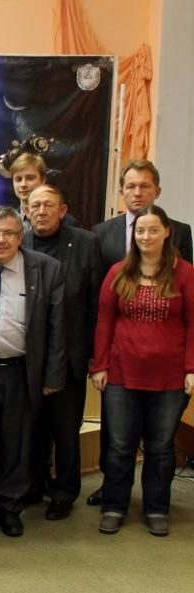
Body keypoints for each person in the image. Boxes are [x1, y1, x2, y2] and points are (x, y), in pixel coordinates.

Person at [0, 206, 66, 538]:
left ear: (21, 236)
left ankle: (9, 507)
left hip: (21, 371)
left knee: (16, 444)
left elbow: (56, 327)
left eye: (8, 233)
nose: (0, 240)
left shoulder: (45, 268)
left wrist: (52, 377)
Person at [88, 159, 193, 506]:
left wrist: (191, 367)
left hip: (169, 371)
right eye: (130, 186)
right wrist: (100, 362)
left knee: (160, 445)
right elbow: (103, 315)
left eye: (144, 185)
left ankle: (156, 506)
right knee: (118, 442)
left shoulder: (184, 259)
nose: (146, 236)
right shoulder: (109, 249)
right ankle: (113, 499)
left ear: (166, 232)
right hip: (122, 366)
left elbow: (190, 316)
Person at [22, 185, 102, 520]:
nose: (41, 211)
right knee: (32, 429)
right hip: (28, 357)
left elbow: (96, 303)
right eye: (35, 205)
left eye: (48, 205)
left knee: (66, 431)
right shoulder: (18, 241)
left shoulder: (86, 243)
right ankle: (33, 485)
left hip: (70, 355)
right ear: (27, 210)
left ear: (63, 210)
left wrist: (95, 354)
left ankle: (65, 492)